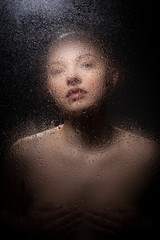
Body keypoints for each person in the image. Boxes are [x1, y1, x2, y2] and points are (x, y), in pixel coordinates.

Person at [2, 30, 160, 240]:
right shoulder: (25, 154)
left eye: (86, 64)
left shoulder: (148, 156)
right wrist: (23, 226)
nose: (72, 77)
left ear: (111, 78)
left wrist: (144, 227)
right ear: (50, 89)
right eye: (58, 70)